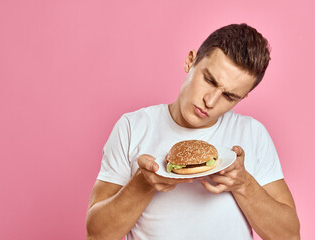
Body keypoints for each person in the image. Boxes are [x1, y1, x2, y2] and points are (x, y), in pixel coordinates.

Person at [86, 23, 300, 240]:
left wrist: (244, 184)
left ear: (242, 97)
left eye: (229, 97)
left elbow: (290, 236)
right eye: (209, 80)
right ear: (190, 60)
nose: (210, 101)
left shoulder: (252, 134)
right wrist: (142, 184)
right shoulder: (133, 127)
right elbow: (96, 234)